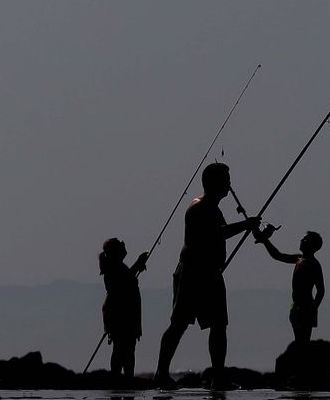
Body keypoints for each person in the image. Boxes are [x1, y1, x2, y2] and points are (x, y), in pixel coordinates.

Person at [154, 163, 261, 387]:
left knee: (218, 324)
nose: (230, 184)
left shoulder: (213, 207)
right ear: (214, 183)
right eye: (226, 179)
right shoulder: (200, 207)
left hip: (210, 273)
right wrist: (245, 224)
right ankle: (161, 373)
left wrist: (246, 226)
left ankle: (218, 377)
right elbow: (217, 232)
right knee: (179, 323)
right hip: (193, 273)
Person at [254, 228, 325, 344]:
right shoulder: (299, 259)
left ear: (312, 245)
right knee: (300, 341)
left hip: (305, 307)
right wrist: (265, 241)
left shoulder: (313, 264)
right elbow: (278, 256)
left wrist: (312, 308)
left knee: (302, 342)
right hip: (296, 306)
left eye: (305, 240)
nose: (301, 240)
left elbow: (321, 290)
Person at [98, 238, 148, 378]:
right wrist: (138, 263)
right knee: (123, 348)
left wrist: (137, 266)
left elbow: (126, 278)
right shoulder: (113, 268)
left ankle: (122, 379)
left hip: (123, 312)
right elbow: (123, 282)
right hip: (120, 314)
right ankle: (123, 379)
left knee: (124, 348)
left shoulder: (117, 267)